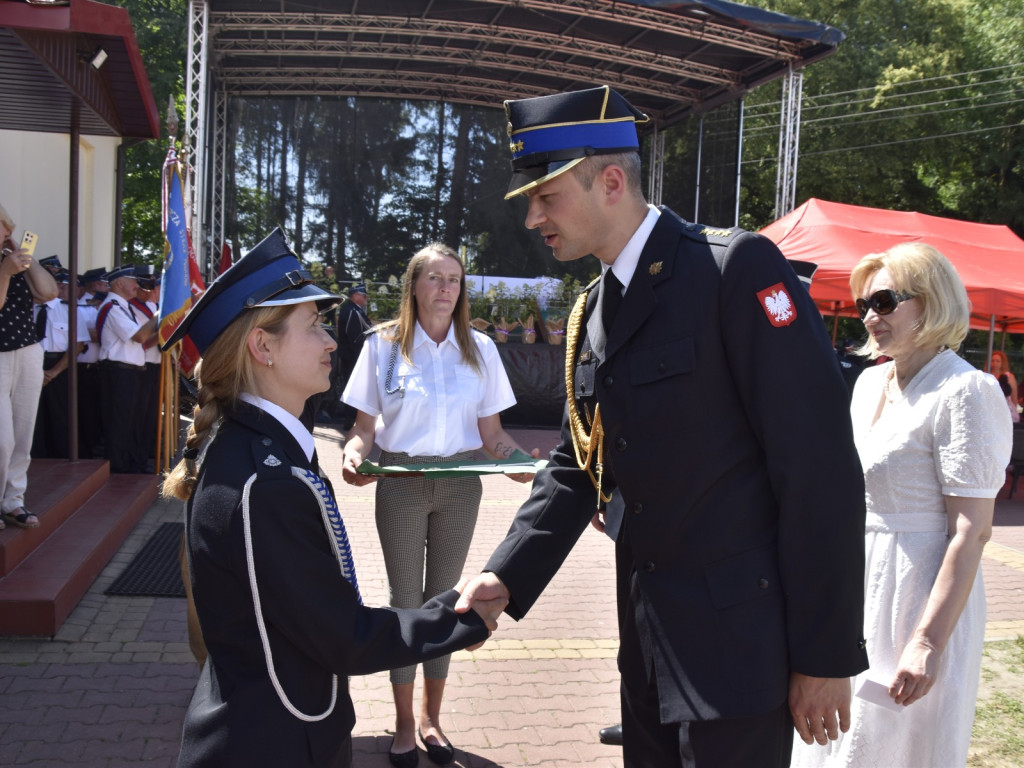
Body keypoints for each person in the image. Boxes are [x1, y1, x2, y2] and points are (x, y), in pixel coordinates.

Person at [454, 86, 869, 767]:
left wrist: (825, 654)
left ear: (610, 181)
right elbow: (578, 463)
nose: (532, 218)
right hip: (648, 648)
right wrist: (507, 576)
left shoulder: (731, 270)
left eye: (546, 197)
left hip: (740, 652)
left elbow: (818, 467)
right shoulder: (594, 308)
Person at [160, 229, 496, 768]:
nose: (332, 342)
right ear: (262, 347)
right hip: (280, 742)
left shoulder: (257, 450)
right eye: (314, 326)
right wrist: (463, 620)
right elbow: (344, 637)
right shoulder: (266, 482)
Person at [791, 243, 1012, 768]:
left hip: (920, 592)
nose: (870, 316)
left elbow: (971, 532)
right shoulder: (868, 383)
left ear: (931, 301)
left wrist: (928, 644)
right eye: (865, 303)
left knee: (896, 746)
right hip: (859, 582)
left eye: (885, 301)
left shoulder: (967, 390)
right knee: (833, 744)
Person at [340, 243, 537, 768]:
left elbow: (492, 436)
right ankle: (404, 723)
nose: (446, 288)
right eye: (435, 278)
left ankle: (432, 719)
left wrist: (518, 462)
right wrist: (355, 455)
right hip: (401, 483)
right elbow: (362, 430)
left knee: (447, 602)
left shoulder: (480, 348)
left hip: (460, 487)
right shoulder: (383, 346)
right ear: (414, 287)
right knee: (407, 603)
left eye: (454, 279)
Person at [0, 204, 57, 530]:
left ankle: (13, 500)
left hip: (27, 351)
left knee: (22, 432)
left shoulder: (15, 262)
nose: (8, 234)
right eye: (4, 229)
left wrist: (24, 257)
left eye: (9, 229)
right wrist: (6, 272)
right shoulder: (6, 269)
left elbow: (48, 292)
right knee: (2, 438)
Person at [31, 270, 89, 458]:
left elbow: (77, 345)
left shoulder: (70, 310)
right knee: (33, 417)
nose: (62, 291)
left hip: (60, 367)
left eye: (66, 287)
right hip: (31, 364)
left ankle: (61, 456)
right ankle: (36, 455)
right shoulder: (29, 308)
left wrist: (53, 372)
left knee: (60, 416)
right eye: (59, 286)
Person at [333, 283, 372, 429]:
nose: (365, 298)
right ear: (355, 296)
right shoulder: (352, 311)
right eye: (363, 296)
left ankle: (352, 418)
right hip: (352, 356)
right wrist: (360, 357)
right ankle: (350, 420)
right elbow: (354, 337)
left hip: (352, 355)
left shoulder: (355, 310)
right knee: (353, 385)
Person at [989, 350, 1018, 418]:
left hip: (1006, 409)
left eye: (997, 361)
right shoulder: (985, 375)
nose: (994, 363)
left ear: (1002, 363)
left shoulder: (1009, 376)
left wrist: (1014, 409)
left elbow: (1014, 396)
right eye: (992, 360)